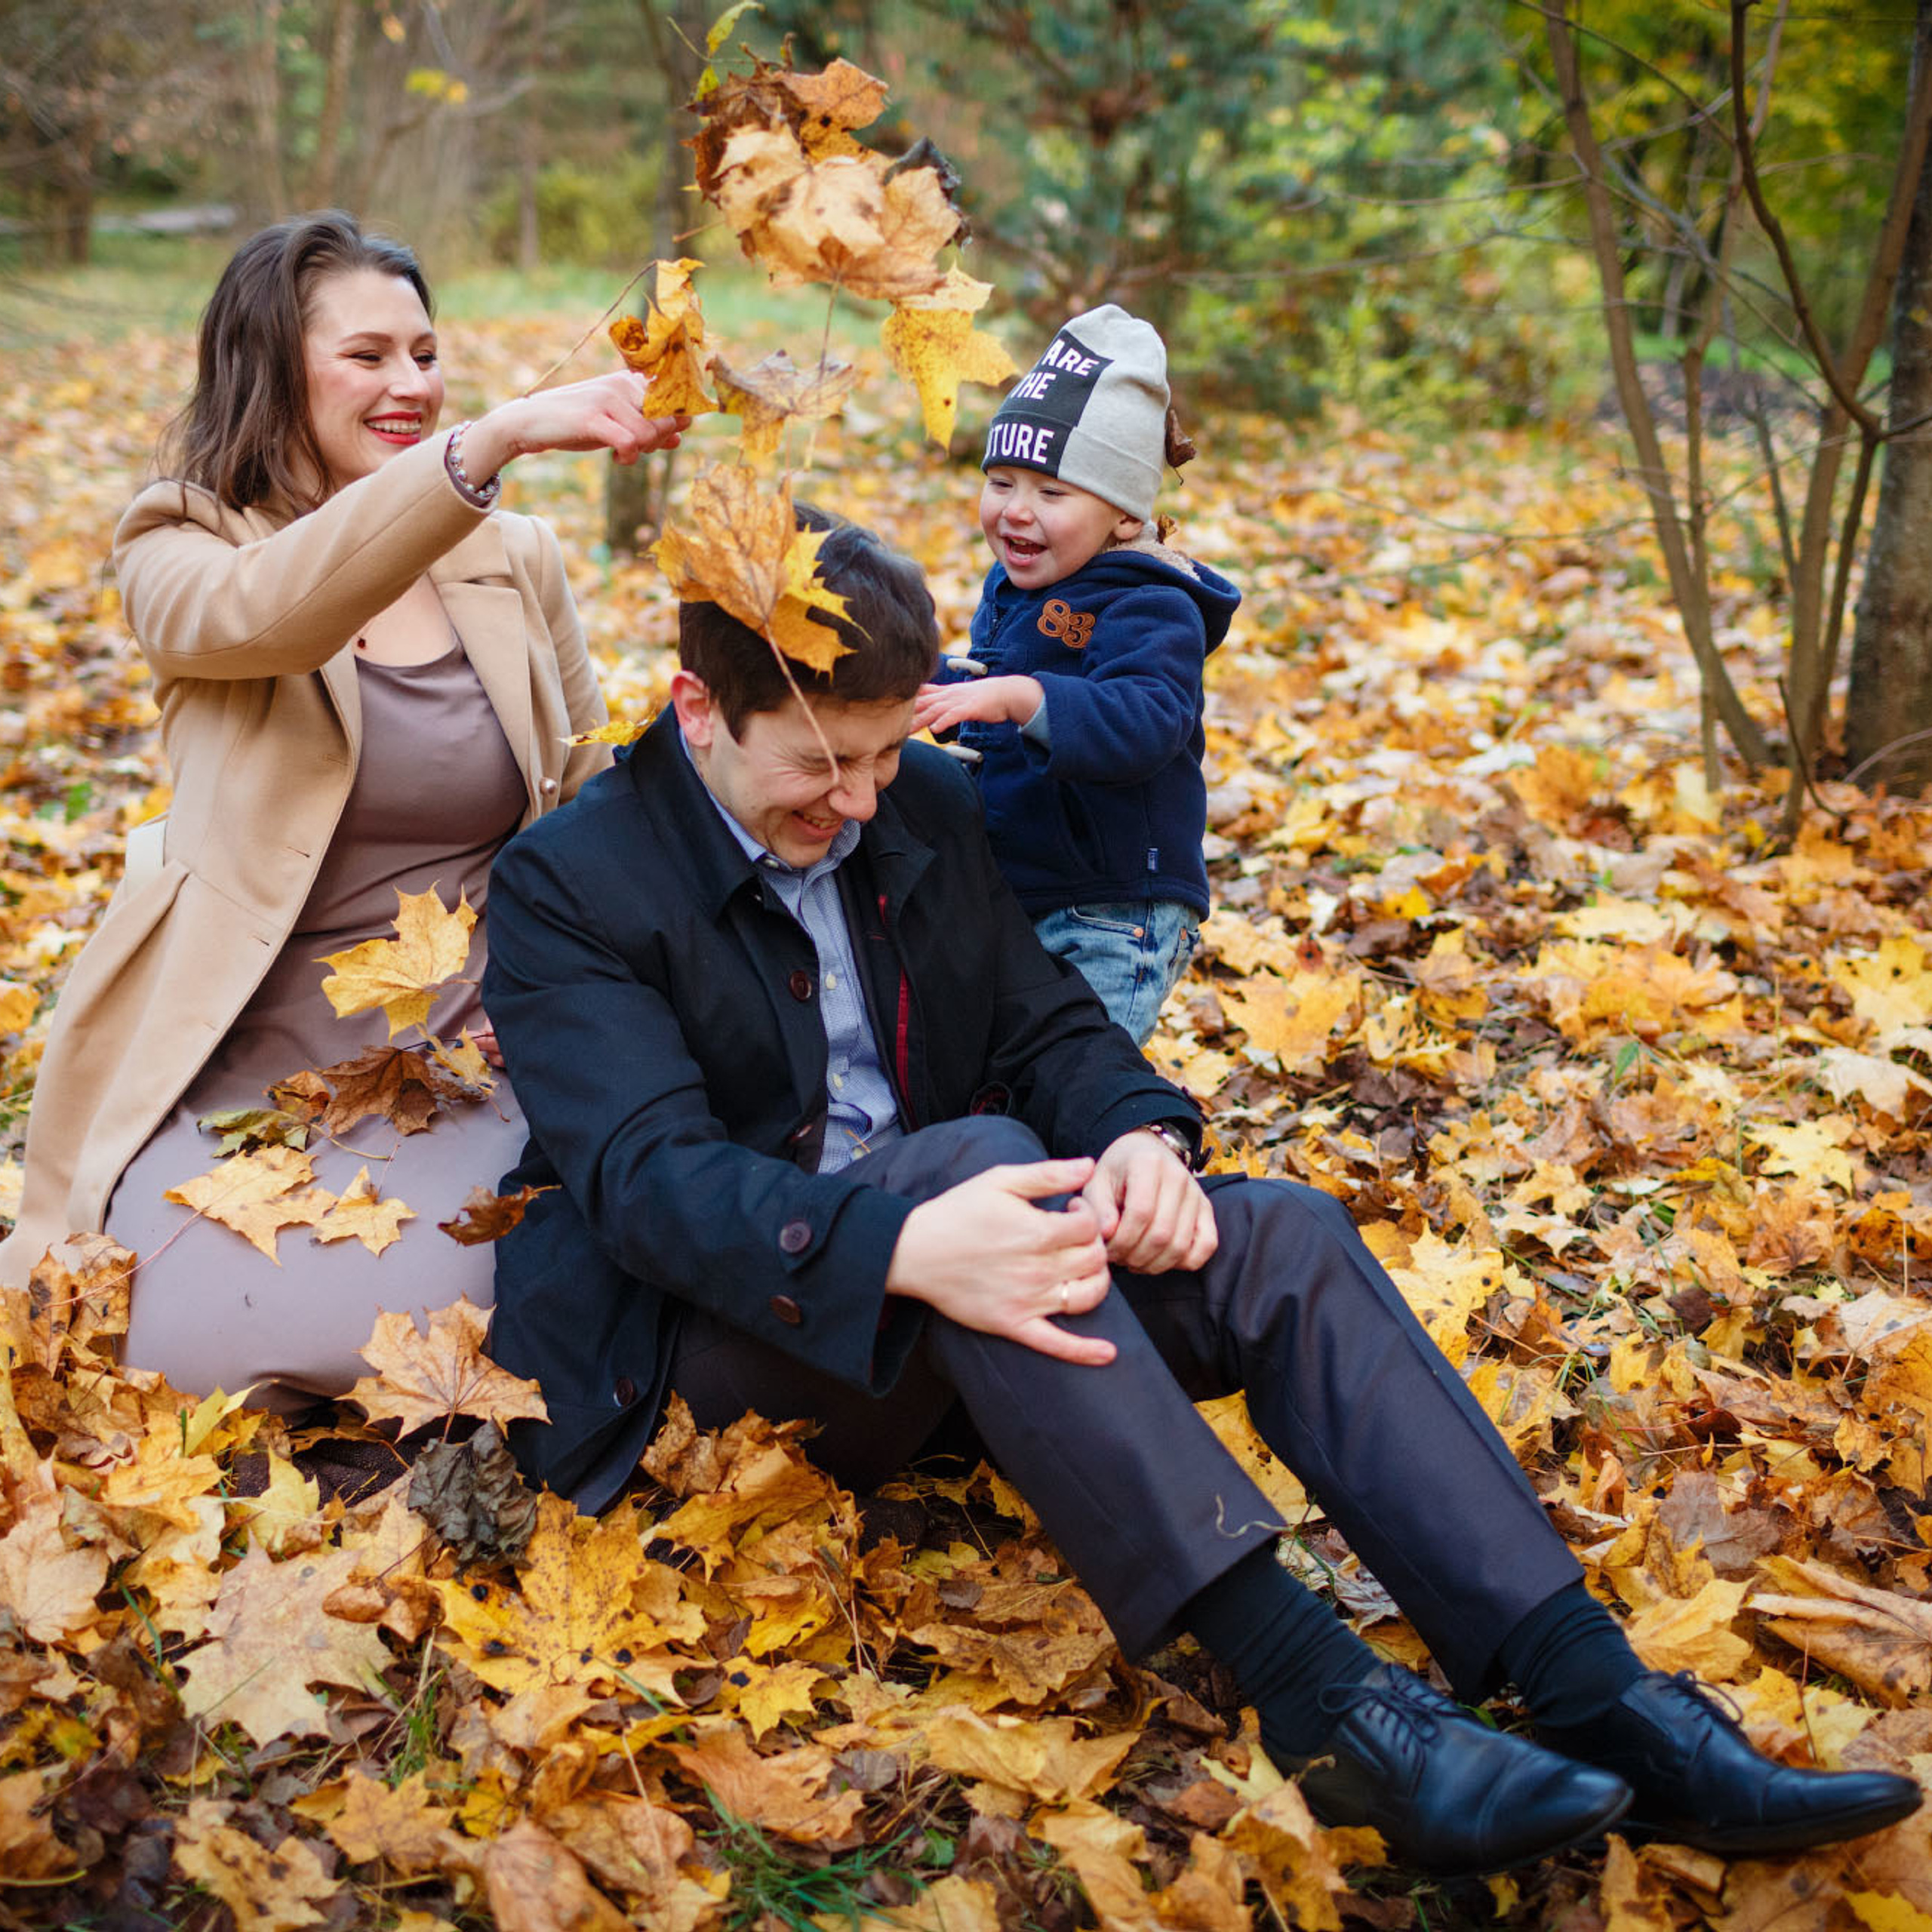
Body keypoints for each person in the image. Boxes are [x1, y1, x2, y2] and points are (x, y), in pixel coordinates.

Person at [481, 513, 1921, 1876]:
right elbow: (647, 1188)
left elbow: (1045, 1024)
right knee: (985, 1177)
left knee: (1277, 1235)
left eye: (878, 757)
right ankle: (1327, 1707)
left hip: (957, 1313)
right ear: (695, 711)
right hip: (701, 1369)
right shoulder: (570, 881)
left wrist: (1141, 1141)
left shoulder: (913, 800)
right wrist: (914, 1243)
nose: (855, 803)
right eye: (818, 767)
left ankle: (1601, 1696)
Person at [0, 211, 686, 1411]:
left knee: (484, 1306)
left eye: (425, 354)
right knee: (164, 1351)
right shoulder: (183, 541)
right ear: (271, 368)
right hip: (238, 1064)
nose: (410, 383)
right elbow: (277, 611)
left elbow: (586, 798)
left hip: (460, 1056)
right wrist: (490, 444)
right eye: (368, 356)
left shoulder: (511, 556)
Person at [912, 306, 1238, 1045]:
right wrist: (902, 676)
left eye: (1051, 493)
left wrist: (1023, 698)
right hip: (1019, 883)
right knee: (1006, 1057)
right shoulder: (1016, 587)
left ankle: (1117, 1148)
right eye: (1001, 481)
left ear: (1125, 517)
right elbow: (977, 688)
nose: (1016, 512)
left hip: (1114, 905)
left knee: (1082, 1067)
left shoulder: (1151, 606)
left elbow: (1147, 719)